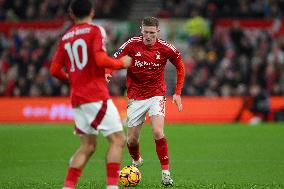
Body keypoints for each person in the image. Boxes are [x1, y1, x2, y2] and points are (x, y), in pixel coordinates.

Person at [49, 0, 132, 189]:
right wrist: (122, 64)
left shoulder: (66, 37)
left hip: (77, 98)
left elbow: (54, 70)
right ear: (92, 12)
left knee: (87, 146)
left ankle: (68, 187)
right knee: (118, 139)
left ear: (71, 14)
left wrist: (73, 79)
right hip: (95, 95)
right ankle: (112, 186)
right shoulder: (95, 31)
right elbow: (100, 59)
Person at [112, 16, 185, 186]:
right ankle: (137, 160)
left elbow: (180, 65)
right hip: (136, 97)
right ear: (141, 30)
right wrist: (108, 72)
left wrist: (178, 92)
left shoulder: (166, 48)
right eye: (146, 32)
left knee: (158, 132)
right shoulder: (132, 44)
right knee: (131, 140)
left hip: (156, 94)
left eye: (152, 33)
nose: (149, 36)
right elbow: (115, 58)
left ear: (158, 32)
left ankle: (165, 173)